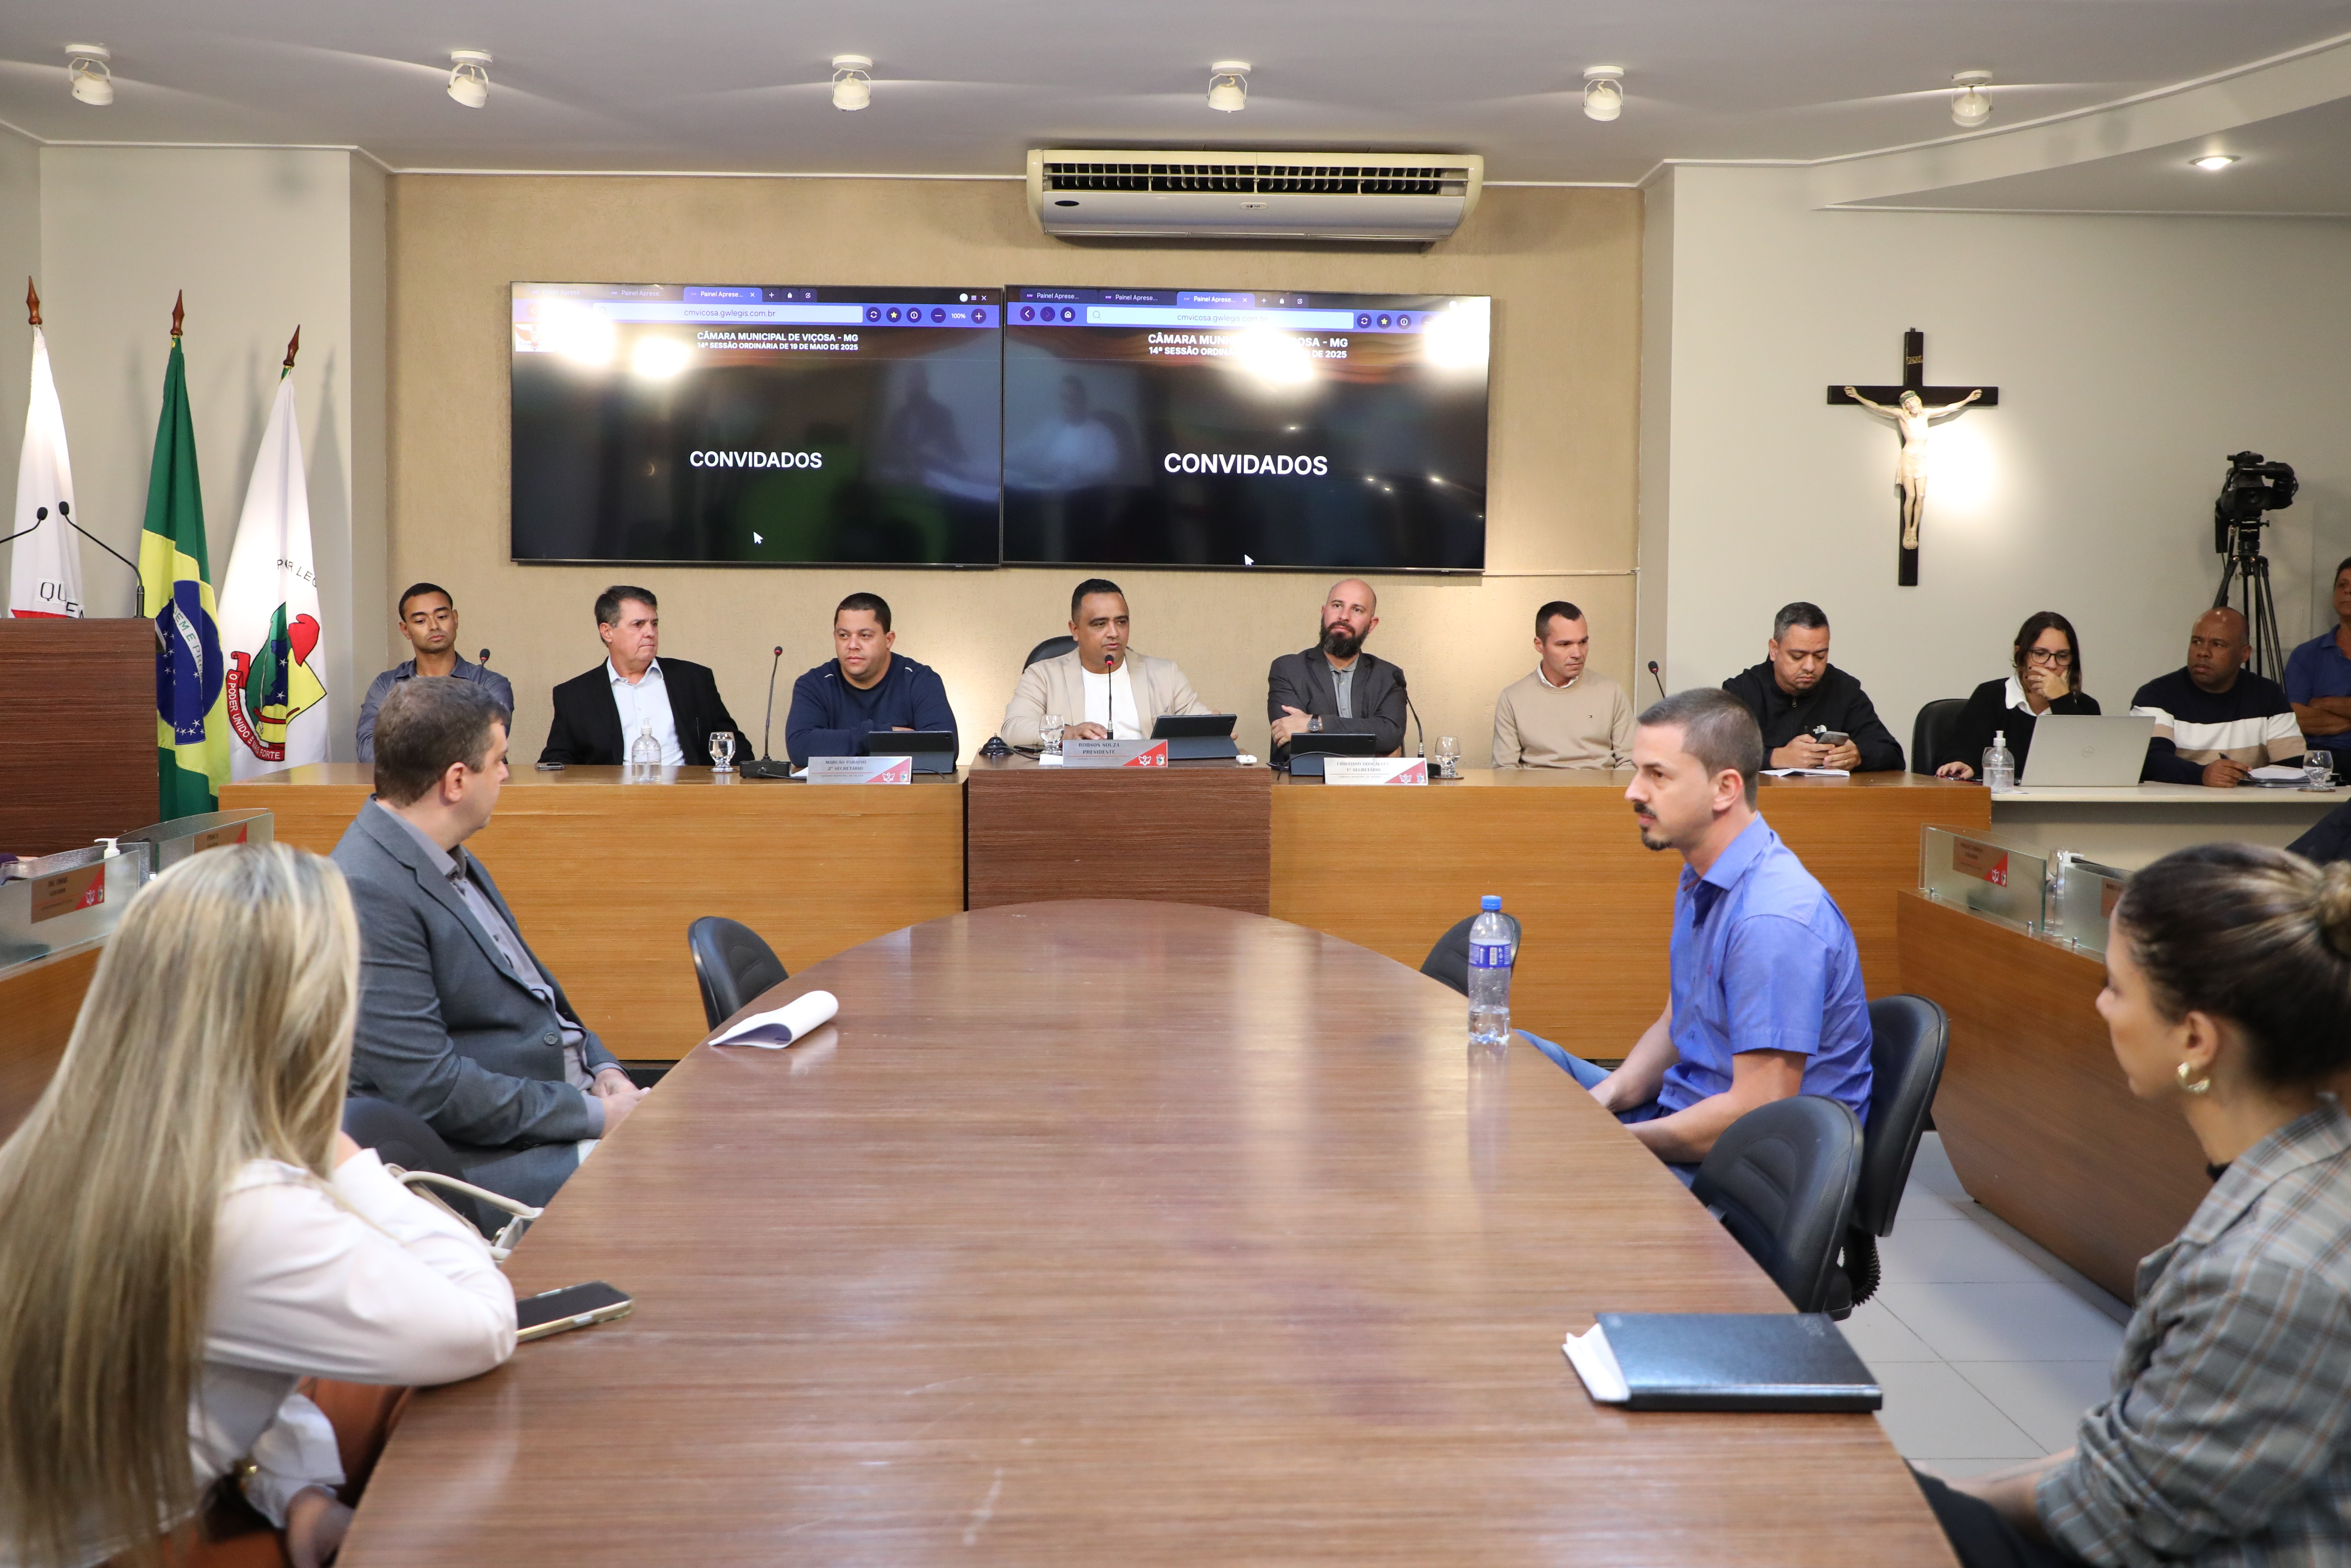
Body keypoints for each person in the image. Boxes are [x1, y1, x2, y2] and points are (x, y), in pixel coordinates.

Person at [0, 844, 514, 1568]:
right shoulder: (248, 1209)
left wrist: (291, 1491)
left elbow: (182, 1376)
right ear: (306, 1017)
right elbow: (483, 1324)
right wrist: (341, 1156)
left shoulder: (52, 1159)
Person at [1916, 842, 2351, 1567]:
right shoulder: (2314, 1162)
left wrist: (1923, 1501)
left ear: (2193, 1038)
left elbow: (2116, 1522)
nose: (2098, 1004)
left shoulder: (2268, 1278)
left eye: (2114, 987)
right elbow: (2143, 1454)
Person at [1521, 688, 1873, 1179]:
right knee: (1510, 1052)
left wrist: (1606, 1142)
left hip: (1745, 1167)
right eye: (1637, 770)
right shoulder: (1702, 875)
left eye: (1657, 775)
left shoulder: (1771, 921)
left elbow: (1753, 1116)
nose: (1633, 791)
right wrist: (1601, 1101)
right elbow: (1677, 1022)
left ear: (1724, 789)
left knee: (1541, 1178)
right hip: (1685, 1114)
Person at [334, 678, 644, 1207]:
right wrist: (596, 1114)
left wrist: (606, 1068)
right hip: (495, 1163)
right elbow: (429, 1088)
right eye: (498, 760)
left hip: (567, 1104)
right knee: (703, 1168)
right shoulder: (366, 889)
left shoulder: (443, 851)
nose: (505, 774)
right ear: (456, 780)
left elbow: (538, 998)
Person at [539, 585, 750, 767]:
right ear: (607, 632)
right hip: (613, 803)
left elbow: (732, 744)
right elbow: (558, 759)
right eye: (638, 625)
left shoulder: (694, 680)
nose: (650, 632)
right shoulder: (575, 695)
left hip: (686, 798)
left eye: (654, 624)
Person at [1001, 578, 1212, 746]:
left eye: (1121, 622)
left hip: (1147, 783)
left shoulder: (1165, 674)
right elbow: (1014, 729)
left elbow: (1200, 723)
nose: (1114, 633)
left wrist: (1214, 730)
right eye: (1100, 624)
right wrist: (1068, 733)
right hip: (1075, 786)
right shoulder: (1043, 675)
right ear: (1075, 630)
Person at [1721, 602, 1904, 772]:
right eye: (1798, 656)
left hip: (1831, 803)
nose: (1810, 667)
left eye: (1820, 656)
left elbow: (1892, 753)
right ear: (1774, 649)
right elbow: (1716, 755)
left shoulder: (1844, 690)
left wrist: (1858, 756)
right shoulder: (1741, 692)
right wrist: (1775, 757)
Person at [2132, 606, 2303, 787]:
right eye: (2197, 642)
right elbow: (2151, 761)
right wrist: (2202, 775)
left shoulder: (2268, 695)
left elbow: (2293, 767)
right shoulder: (2155, 696)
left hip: (2251, 808)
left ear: (2244, 654)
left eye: (2217, 644)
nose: (2203, 652)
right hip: (2176, 809)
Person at [783, 592, 957, 766]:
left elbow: (944, 749)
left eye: (865, 636)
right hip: (836, 792)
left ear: (889, 640)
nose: (852, 645)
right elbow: (801, 747)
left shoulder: (920, 680)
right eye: (844, 635)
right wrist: (882, 735)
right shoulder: (814, 684)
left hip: (903, 792)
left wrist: (840, 745)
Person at [355, 582, 513, 763]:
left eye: (442, 616)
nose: (434, 626)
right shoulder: (387, 685)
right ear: (406, 629)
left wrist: (405, 742)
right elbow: (368, 751)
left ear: (455, 619)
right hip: (407, 791)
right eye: (421, 621)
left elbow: (487, 746)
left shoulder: (488, 683)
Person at [1935, 611, 2101, 779]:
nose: (2051, 665)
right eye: (2040, 654)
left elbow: (2090, 766)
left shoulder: (2085, 706)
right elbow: (1962, 750)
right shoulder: (1991, 696)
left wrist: (2062, 702)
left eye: (2062, 656)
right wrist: (1963, 763)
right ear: (2020, 654)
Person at [1266, 578, 1408, 765]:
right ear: (1324, 613)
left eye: (1357, 610)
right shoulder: (1288, 669)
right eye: (1337, 605)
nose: (1344, 616)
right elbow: (1291, 746)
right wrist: (1373, 757)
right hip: (1307, 788)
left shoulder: (1390, 676)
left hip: (1373, 792)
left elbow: (1390, 735)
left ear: (1372, 625)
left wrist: (1315, 723)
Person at [1490, 599, 1637, 769]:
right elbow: (1505, 770)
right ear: (1540, 645)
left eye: (1583, 642)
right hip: (1539, 794)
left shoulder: (1611, 692)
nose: (1577, 653)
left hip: (1598, 793)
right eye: (1565, 644)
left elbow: (1630, 762)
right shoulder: (1513, 698)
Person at [2285, 554, 2351, 757]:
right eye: (2342, 585)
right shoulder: (2306, 655)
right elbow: (2294, 719)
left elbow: (2309, 712)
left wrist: (2323, 703)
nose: (2348, 591)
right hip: (2322, 759)